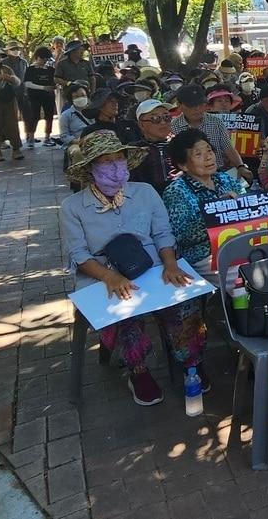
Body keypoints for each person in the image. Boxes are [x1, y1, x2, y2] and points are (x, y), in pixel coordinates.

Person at [60, 131, 208, 405]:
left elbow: (163, 233)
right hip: (101, 274)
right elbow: (79, 254)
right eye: (106, 161)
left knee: (185, 303)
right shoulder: (72, 207)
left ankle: (190, 362)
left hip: (152, 267)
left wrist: (170, 263)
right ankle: (137, 370)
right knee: (127, 314)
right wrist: (109, 276)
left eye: (120, 159)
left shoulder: (145, 192)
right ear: (91, 167)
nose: (115, 167)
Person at [162, 129, 246, 277]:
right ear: (184, 165)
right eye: (198, 154)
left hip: (240, 243)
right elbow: (183, 237)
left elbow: (250, 206)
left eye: (209, 151)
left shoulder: (224, 178)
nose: (208, 157)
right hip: (206, 255)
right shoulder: (176, 191)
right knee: (246, 275)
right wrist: (217, 211)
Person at [171, 85, 254, 181]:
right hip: (190, 178)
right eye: (191, 105)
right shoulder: (173, 127)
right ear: (179, 106)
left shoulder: (216, 121)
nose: (197, 109)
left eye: (201, 104)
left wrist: (241, 167)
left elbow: (228, 148)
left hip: (220, 173)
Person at [129, 100, 178, 194]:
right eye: (155, 118)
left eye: (167, 117)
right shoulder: (133, 150)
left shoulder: (181, 144)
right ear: (141, 124)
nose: (163, 122)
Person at [23, 46, 58, 147]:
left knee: (49, 116)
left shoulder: (51, 69)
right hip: (34, 96)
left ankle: (47, 137)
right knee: (34, 116)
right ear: (37, 57)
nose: (44, 61)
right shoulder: (30, 69)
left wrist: (55, 86)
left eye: (46, 59)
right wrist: (43, 87)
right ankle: (31, 137)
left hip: (49, 96)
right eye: (42, 59)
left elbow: (55, 81)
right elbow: (27, 83)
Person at [55, 40, 94, 105]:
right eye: (80, 50)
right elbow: (56, 79)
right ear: (72, 52)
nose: (82, 52)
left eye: (83, 50)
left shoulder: (86, 63)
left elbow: (92, 78)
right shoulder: (62, 64)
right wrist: (68, 83)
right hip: (69, 97)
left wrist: (92, 92)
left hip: (85, 95)